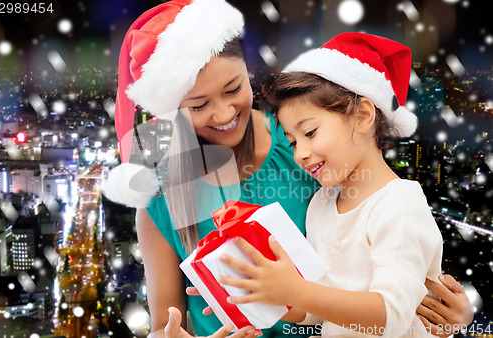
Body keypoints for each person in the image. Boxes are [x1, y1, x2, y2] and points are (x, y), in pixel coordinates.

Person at [101, 0, 474, 336]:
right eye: (198, 105)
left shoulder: (306, 144)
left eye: (233, 89)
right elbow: (166, 324)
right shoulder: (162, 192)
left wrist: (441, 311)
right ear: (172, 110)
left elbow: (384, 259)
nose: (224, 113)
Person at [216, 33, 473, 337]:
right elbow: (318, 307)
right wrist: (262, 291)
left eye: (310, 132)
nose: (301, 154)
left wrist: (297, 291)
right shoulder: (321, 205)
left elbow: (392, 317)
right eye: (292, 141)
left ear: (363, 115)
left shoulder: (398, 205)